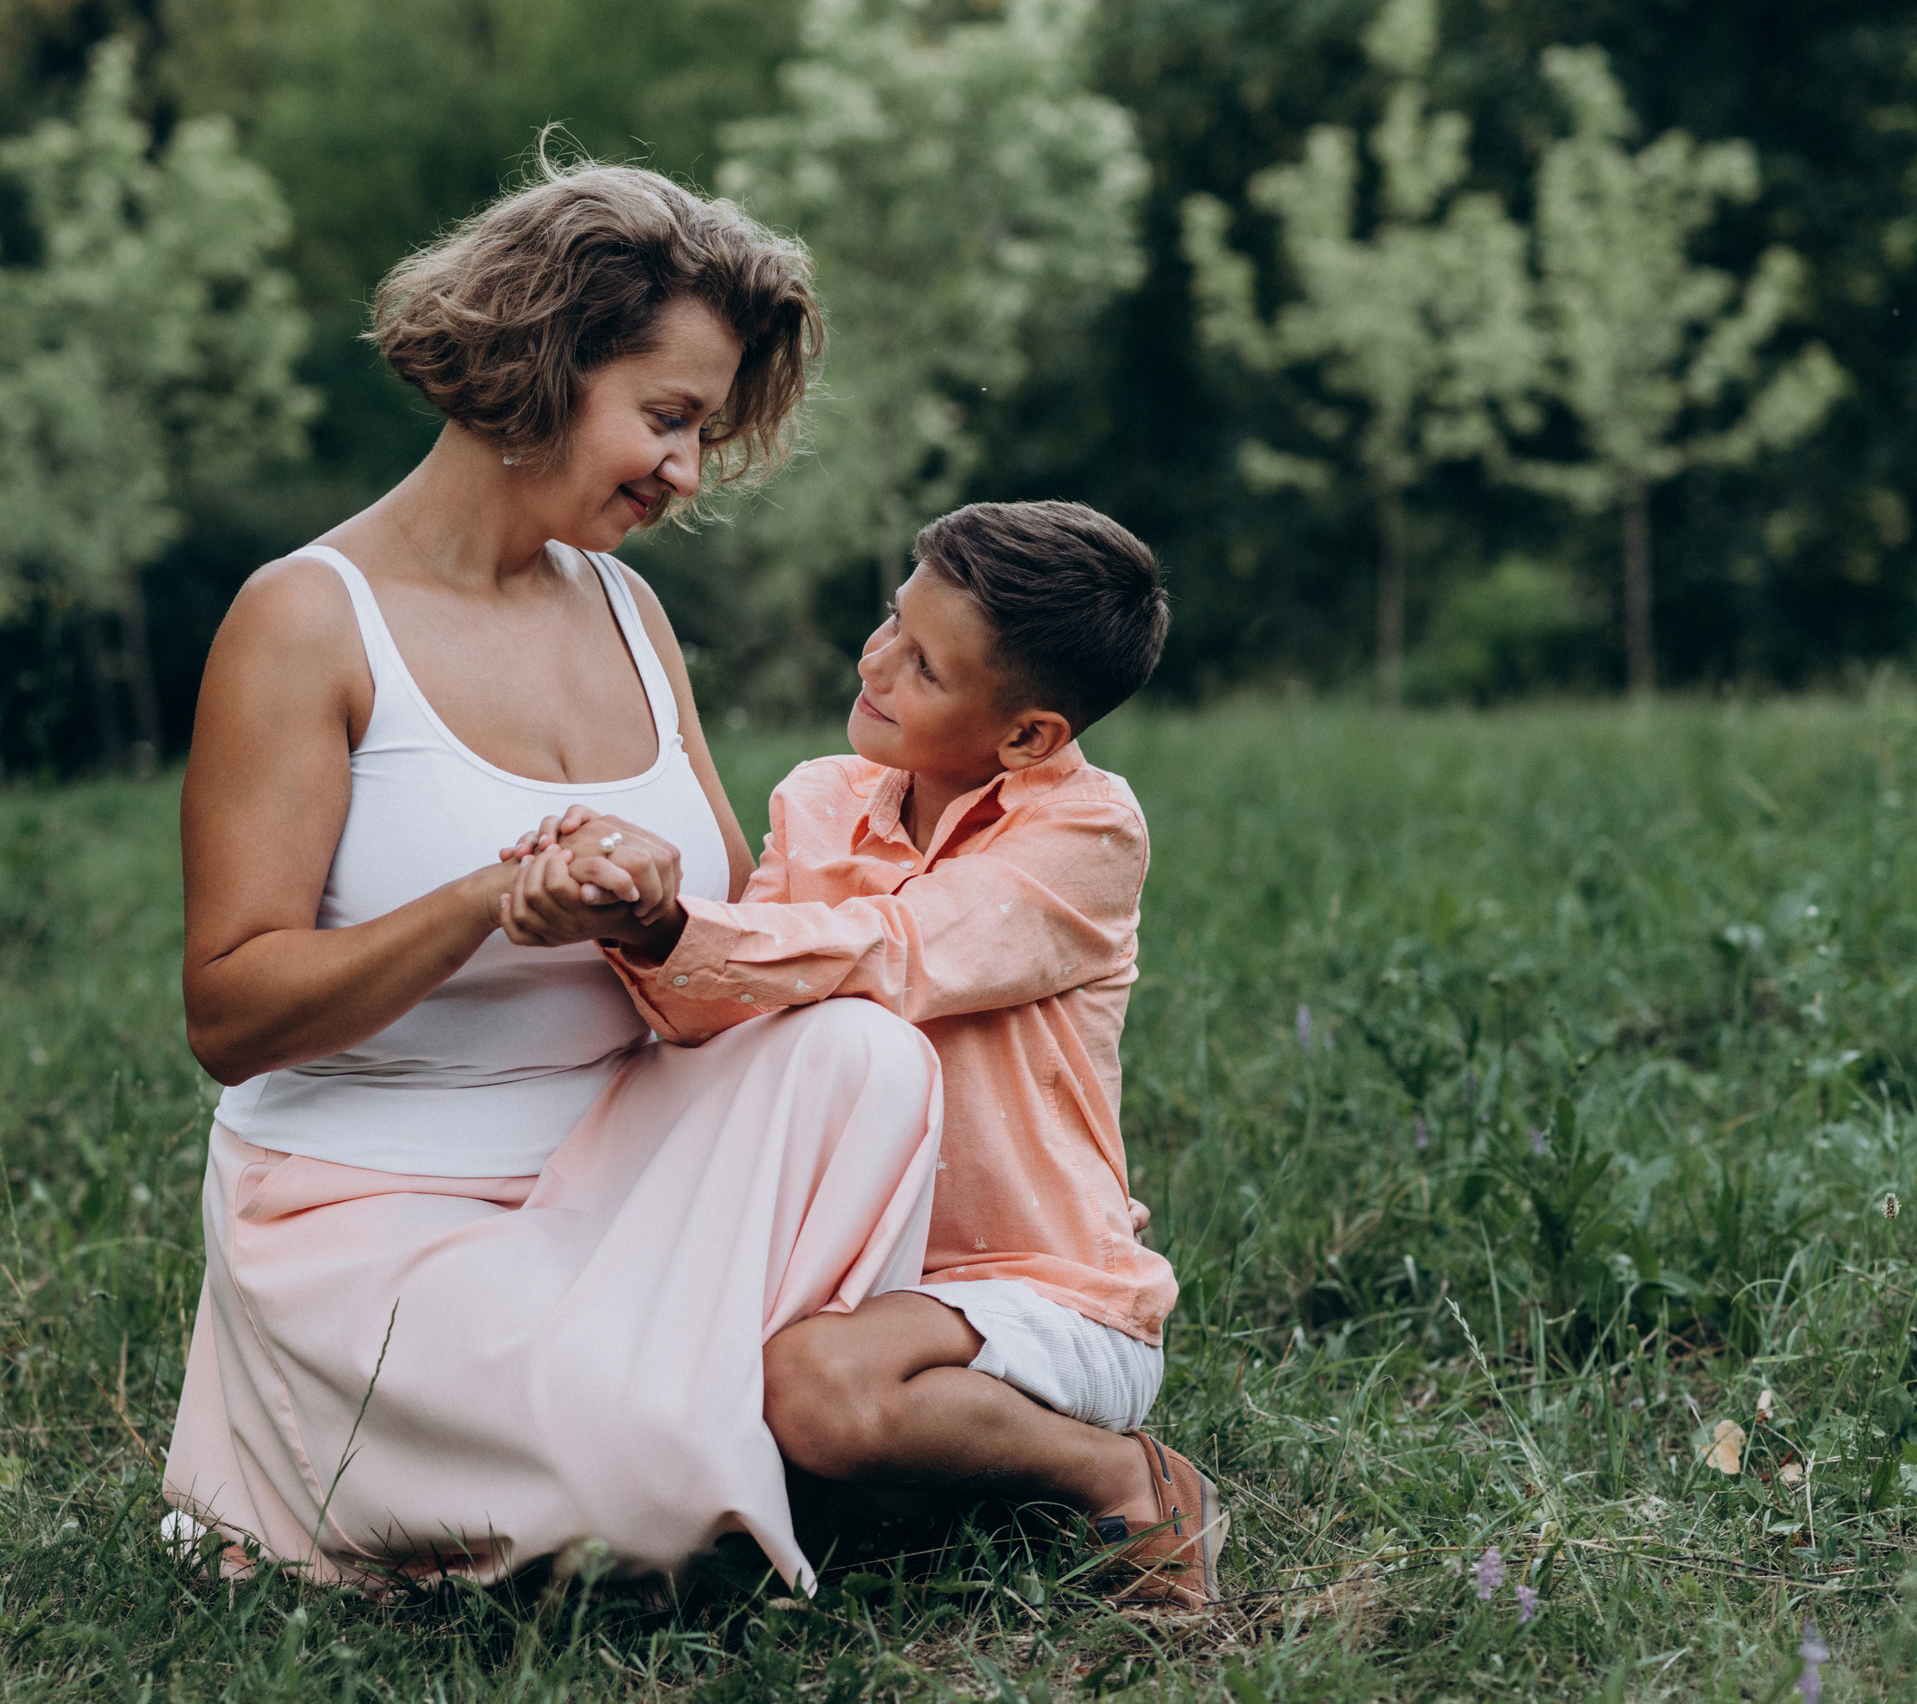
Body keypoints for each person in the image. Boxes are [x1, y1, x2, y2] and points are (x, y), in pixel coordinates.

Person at [159, 158, 943, 1593]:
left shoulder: (630, 609)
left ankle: (741, 1405)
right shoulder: (306, 621)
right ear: (541, 366)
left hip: (622, 1168)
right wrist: (481, 905)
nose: (687, 472)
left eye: (702, 431)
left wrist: (658, 920)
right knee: (632, 1501)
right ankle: (704, 1430)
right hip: (375, 1209)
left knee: (868, 1059)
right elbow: (227, 1014)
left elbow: (736, 948)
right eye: (665, 419)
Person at [501, 499, 1225, 1605]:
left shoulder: (1085, 834)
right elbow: (730, 1020)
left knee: (817, 1391)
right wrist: (627, 897)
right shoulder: (820, 801)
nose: (875, 663)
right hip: (839, 1267)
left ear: (1027, 735)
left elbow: (899, 954)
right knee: (635, 1406)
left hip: (1035, 1287)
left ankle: (1127, 1476)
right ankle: (904, 1503)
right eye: (891, 621)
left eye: (923, 666)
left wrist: (675, 930)